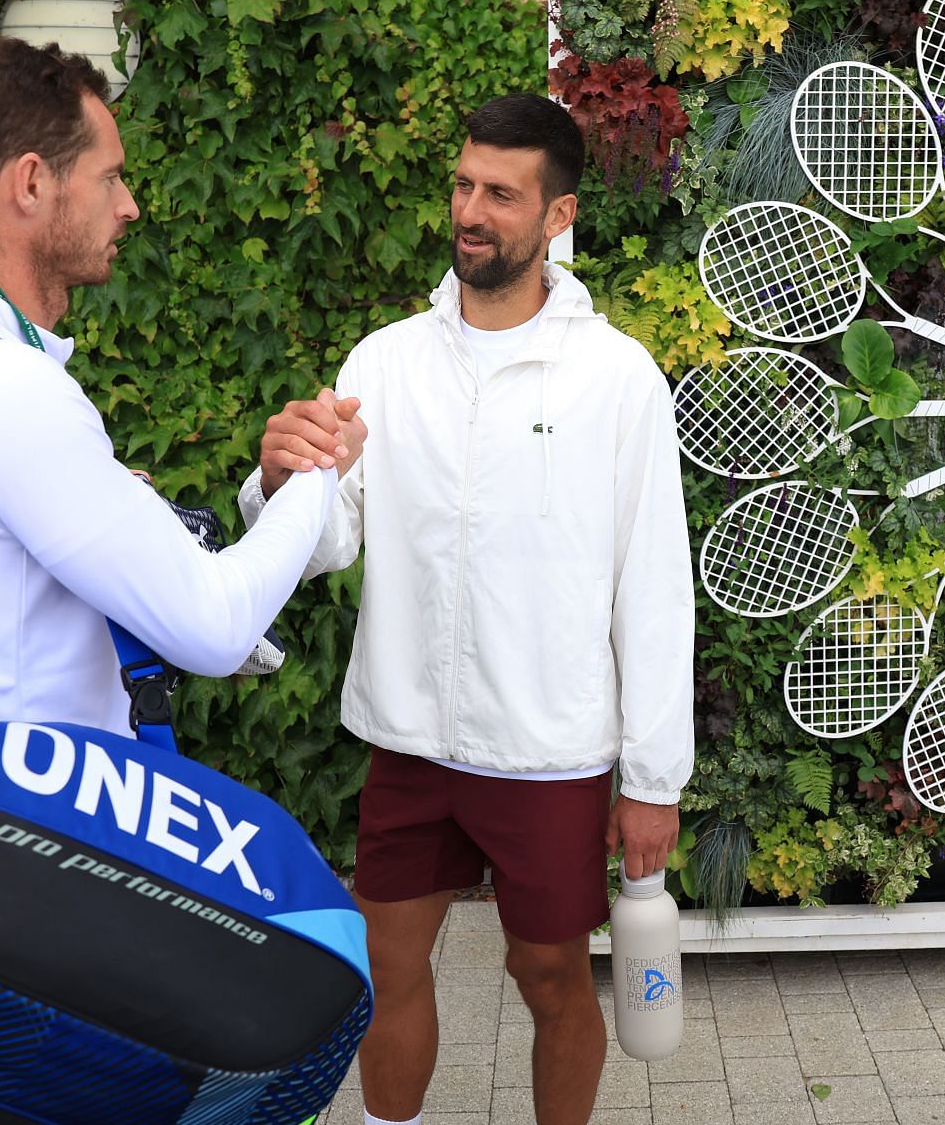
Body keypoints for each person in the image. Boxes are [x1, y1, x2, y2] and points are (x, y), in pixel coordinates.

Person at [240, 94, 694, 1125]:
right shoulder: (386, 360)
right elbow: (327, 539)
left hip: (549, 750)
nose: (471, 210)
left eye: (500, 192)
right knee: (382, 964)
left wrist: (654, 777)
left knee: (548, 975)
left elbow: (655, 588)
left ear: (559, 214)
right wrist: (274, 486)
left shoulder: (617, 379)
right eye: (462, 184)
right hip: (409, 737)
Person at [0, 36, 349, 732]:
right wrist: (319, 469)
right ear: (32, 183)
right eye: (109, 178)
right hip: (19, 830)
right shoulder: (6, 391)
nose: (129, 205)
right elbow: (218, 627)